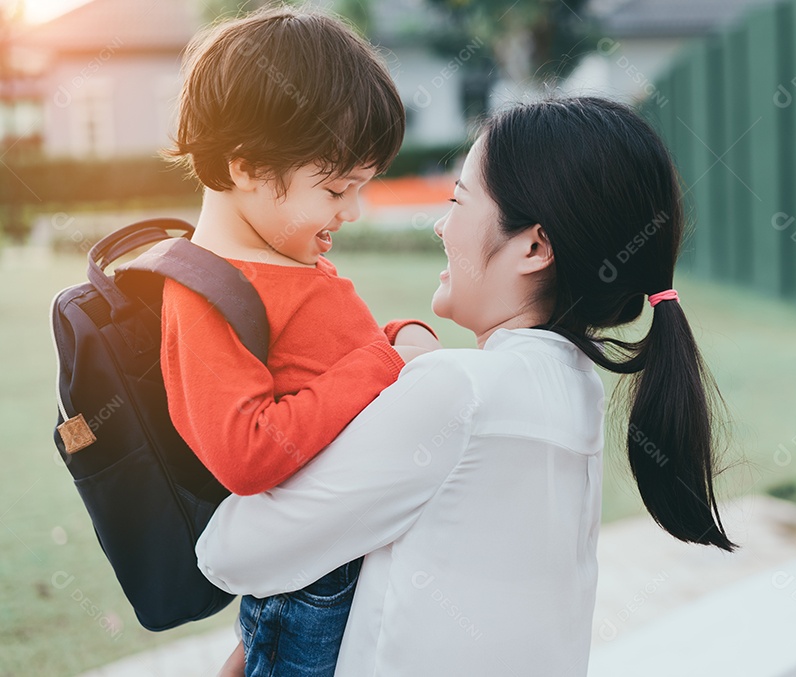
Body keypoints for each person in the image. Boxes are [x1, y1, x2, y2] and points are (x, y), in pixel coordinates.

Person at [196, 96, 736, 676]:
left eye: (458, 200)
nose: (440, 223)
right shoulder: (575, 390)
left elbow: (236, 552)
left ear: (533, 247)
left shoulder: (458, 391)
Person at [160, 7, 440, 676]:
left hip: (343, 550)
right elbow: (248, 453)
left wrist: (401, 335)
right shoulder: (207, 292)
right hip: (315, 588)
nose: (351, 211)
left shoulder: (287, 257)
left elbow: (337, 356)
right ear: (249, 166)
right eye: (338, 188)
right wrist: (383, 361)